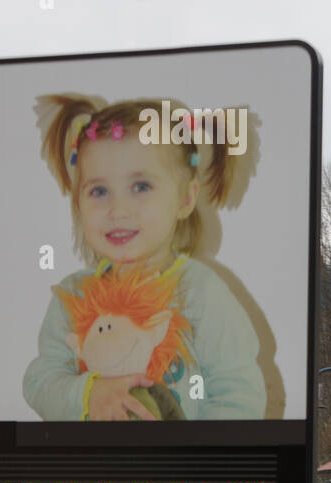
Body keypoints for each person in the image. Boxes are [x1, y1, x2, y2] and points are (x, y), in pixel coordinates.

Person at [22, 96, 266, 422]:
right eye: (98, 191)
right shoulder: (73, 296)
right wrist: (87, 393)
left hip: (181, 471)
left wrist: (201, 462)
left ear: (186, 198)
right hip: (95, 471)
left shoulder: (201, 292)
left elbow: (238, 394)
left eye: (140, 186)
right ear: (78, 202)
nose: (118, 210)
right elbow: (40, 381)